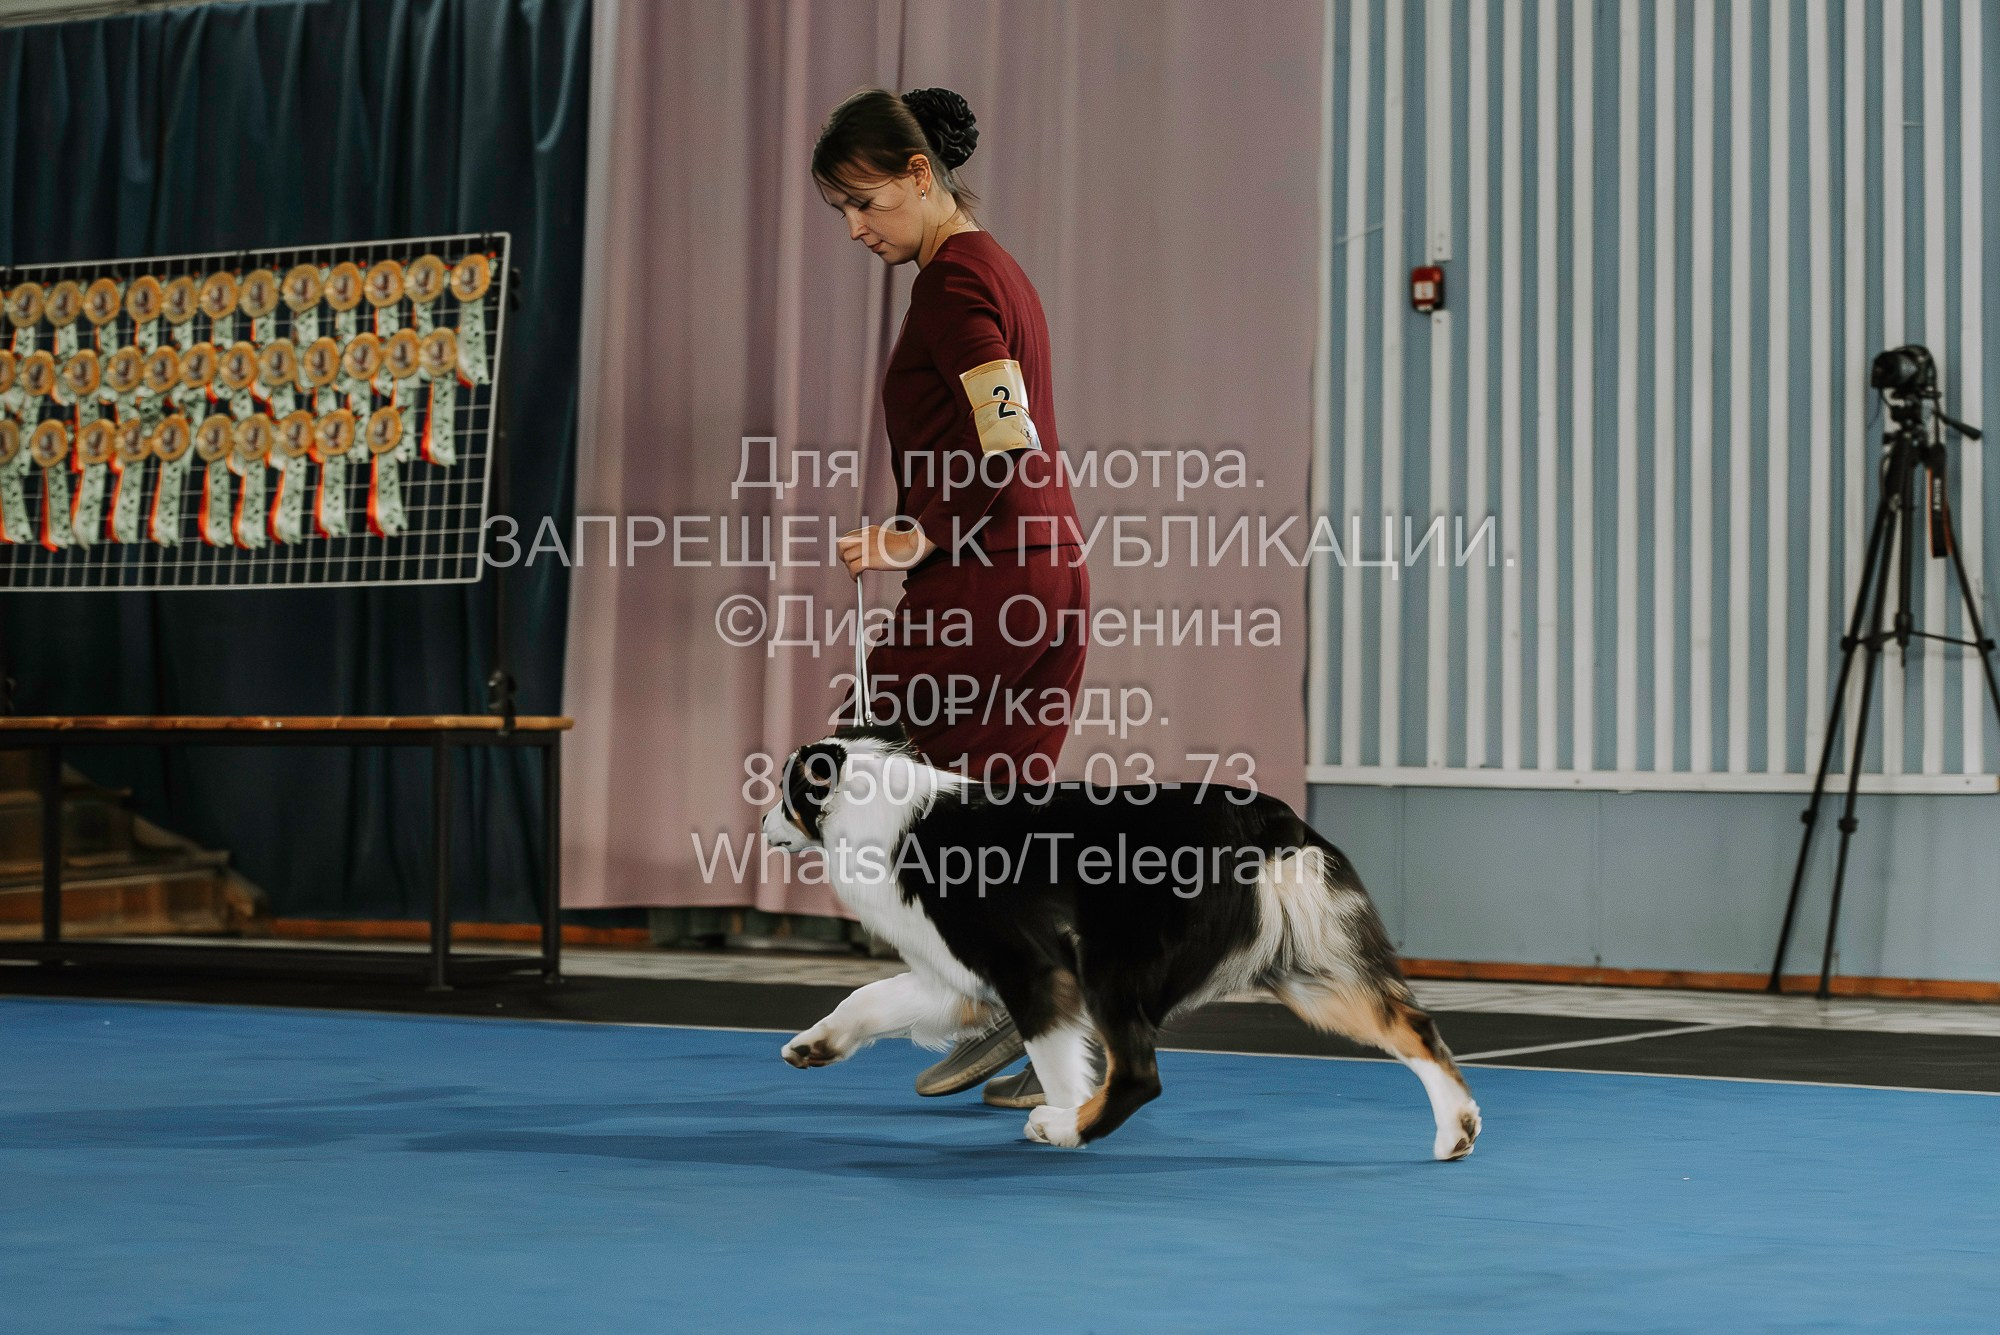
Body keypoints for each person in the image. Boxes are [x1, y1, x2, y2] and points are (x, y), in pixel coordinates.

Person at [814, 86, 1087, 1109]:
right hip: (1049, 567)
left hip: (987, 573)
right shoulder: (996, 270)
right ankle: (1042, 999)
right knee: (995, 814)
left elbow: (1003, 436)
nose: (854, 229)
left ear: (919, 174)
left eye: (865, 202)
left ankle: (986, 995)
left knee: (869, 783)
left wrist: (912, 532)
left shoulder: (953, 286)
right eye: (840, 210)